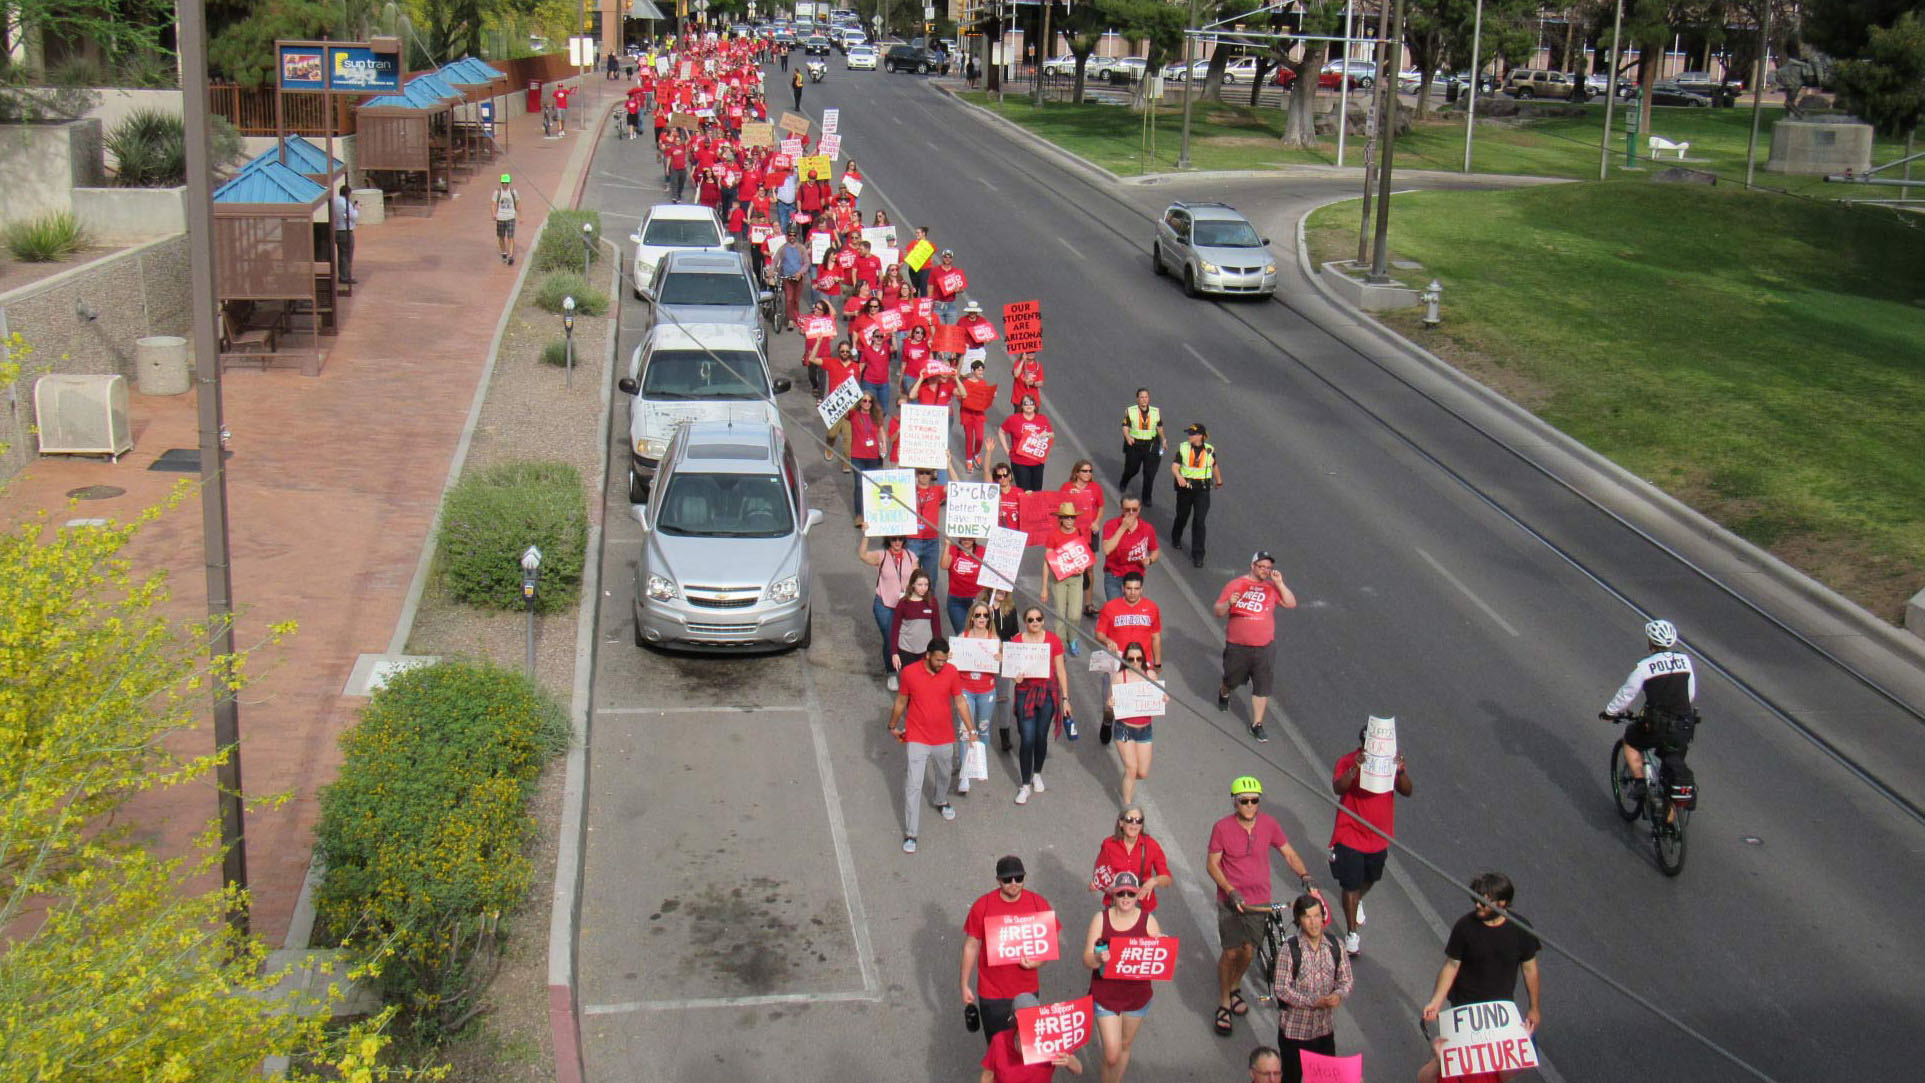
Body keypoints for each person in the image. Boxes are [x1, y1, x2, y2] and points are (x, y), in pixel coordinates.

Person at [1207, 776, 1315, 1038]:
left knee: (1247, 951)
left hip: (1259, 901)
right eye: (1244, 801)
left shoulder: (1269, 824)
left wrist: (1306, 877)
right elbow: (1212, 864)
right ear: (1235, 802)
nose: (1249, 806)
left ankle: (1235, 986)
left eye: (1254, 801)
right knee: (1230, 952)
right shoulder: (1222, 828)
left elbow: (1288, 853)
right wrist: (1231, 892)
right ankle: (1224, 1001)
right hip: (1232, 902)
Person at [1417, 872, 1542, 1083]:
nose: (1477, 905)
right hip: (1464, 1009)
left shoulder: (1521, 929)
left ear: (1503, 903)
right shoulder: (1465, 928)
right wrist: (1436, 1001)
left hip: (1498, 1013)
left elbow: (1530, 970)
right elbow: (1451, 965)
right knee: (1455, 1068)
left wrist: (1534, 1007)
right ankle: (1440, 1062)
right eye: (1476, 899)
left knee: (1496, 1066)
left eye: (1484, 901)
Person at [1599, 618, 1698, 821]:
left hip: (1656, 726)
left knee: (1630, 740)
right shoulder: (1685, 662)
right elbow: (1690, 695)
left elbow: (1627, 694)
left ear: (1650, 642)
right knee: (1672, 762)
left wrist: (1610, 712)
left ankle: (1640, 782)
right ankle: (1670, 821)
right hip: (1683, 726)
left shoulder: (1644, 667)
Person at [1329, 725, 1412, 954]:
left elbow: (1407, 791)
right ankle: (1351, 933)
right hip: (1350, 833)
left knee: (1372, 877)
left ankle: (1356, 900)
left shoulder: (1390, 765)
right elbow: (1338, 787)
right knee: (1350, 883)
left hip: (1378, 837)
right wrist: (1355, 769)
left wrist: (1401, 771)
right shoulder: (1348, 760)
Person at [962, 856, 1060, 1043]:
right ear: (998, 880)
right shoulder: (982, 906)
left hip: (1027, 993)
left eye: (1019, 878)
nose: (1014, 883)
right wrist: (964, 984)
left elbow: (1049, 941)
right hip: (992, 994)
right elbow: (971, 945)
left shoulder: (1038, 903)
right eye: (1007, 880)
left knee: (1028, 1045)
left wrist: (1039, 961)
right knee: (997, 1047)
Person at [887, 638, 971, 854]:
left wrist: (971, 731)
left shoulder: (951, 672)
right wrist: (892, 725)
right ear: (927, 655)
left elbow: (960, 701)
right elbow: (901, 701)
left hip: (944, 737)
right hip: (917, 737)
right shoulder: (909, 673)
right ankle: (911, 833)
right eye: (938, 660)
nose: (942, 664)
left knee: (944, 774)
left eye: (944, 659)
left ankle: (940, 799)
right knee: (913, 785)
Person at [1083, 871, 1163, 1083]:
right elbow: (1087, 960)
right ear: (1113, 896)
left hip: (1136, 996)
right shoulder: (1101, 919)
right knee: (1111, 1055)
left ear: (1137, 895)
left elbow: (1160, 963)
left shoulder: (1149, 922)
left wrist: (1162, 947)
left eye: (1130, 893)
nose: (1126, 897)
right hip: (1105, 996)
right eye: (1121, 893)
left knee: (1125, 1046)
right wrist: (1099, 958)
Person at [1212, 552, 1298, 744]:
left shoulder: (1270, 588)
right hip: (1238, 646)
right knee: (1232, 679)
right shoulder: (1235, 585)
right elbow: (1217, 611)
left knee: (1263, 686)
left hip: (1264, 648)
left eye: (1268, 568)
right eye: (1262, 567)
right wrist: (1229, 603)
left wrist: (1280, 584)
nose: (1266, 571)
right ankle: (1224, 691)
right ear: (1252, 566)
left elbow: (1291, 603)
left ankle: (1256, 724)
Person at [1272, 894, 1353, 1083]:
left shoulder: (1335, 946)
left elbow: (1346, 979)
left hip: (1324, 1030)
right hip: (1295, 1033)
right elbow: (1282, 989)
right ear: (1299, 920)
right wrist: (1313, 1002)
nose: (1314, 922)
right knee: (1292, 1078)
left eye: (1317, 916)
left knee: (1326, 1079)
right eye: (1308, 917)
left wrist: (1338, 995)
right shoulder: (1290, 949)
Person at [1010, 604, 1070, 804]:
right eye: (1030, 620)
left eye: (1038, 619)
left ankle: (1037, 773)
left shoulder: (1053, 640)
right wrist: (1014, 677)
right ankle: (1025, 784)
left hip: (1047, 693)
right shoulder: (1017, 641)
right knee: (1027, 738)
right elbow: (1012, 670)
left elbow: (1060, 670)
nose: (1034, 623)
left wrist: (1065, 699)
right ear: (1025, 623)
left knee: (1040, 736)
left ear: (1043, 621)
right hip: (1024, 693)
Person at [953, 598, 1002, 794]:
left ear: (989, 619)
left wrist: (1001, 658)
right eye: (978, 615)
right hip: (965, 689)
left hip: (986, 690)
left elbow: (1004, 667)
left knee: (983, 729)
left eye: (985, 615)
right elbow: (953, 665)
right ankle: (964, 775)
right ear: (971, 618)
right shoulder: (962, 637)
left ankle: (979, 763)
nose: (981, 618)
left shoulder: (994, 641)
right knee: (966, 730)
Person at [981, 993, 1085, 1082]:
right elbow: (987, 1076)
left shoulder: (1051, 1040)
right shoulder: (999, 1041)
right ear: (1015, 1021)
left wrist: (1069, 1061)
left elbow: (1078, 1069)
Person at [857, 530, 917, 683]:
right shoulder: (881, 555)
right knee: (891, 637)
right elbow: (863, 555)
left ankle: (905, 668)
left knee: (906, 638)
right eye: (893, 539)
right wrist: (866, 535)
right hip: (885, 605)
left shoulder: (911, 556)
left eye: (900, 539)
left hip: (905, 605)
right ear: (888, 540)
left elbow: (918, 579)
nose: (897, 542)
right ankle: (892, 671)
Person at [1106, 646, 1163, 804]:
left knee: (1142, 773)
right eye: (1131, 659)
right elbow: (1109, 703)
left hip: (1145, 730)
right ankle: (1127, 805)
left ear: (1144, 659)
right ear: (1125, 660)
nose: (1135, 662)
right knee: (1131, 768)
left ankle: (1127, 782)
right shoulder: (1119, 677)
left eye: (1139, 659)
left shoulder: (1150, 675)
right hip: (1124, 729)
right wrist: (1111, 704)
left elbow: (1157, 696)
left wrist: (1162, 698)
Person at [1090, 805, 1172, 913]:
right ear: (1121, 823)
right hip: (1116, 906)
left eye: (1139, 820)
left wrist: (1154, 881)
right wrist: (1096, 884)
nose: (1134, 824)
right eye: (1129, 820)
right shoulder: (1109, 845)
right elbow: (1101, 873)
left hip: (1143, 907)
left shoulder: (1151, 845)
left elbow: (1167, 879)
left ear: (1142, 825)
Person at [1041, 502, 1092, 657]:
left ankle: (1072, 638)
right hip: (1059, 579)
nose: (1070, 520)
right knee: (1060, 615)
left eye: (1072, 517)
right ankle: (1060, 645)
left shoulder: (1080, 533)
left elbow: (1085, 553)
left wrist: (1084, 567)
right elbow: (1047, 561)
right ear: (1061, 519)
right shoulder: (1053, 536)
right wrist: (1044, 587)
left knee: (1075, 614)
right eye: (1066, 517)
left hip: (1076, 578)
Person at [1169, 423, 1221, 567]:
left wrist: (1219, 480)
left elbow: (1214, 465)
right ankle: (1176, 537)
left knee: (1199, 521)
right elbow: (1174, 466)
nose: (1189, 436)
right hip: (1185, 488)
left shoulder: (1209, 450)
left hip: (1202, 490)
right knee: (1182, 516)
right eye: (1189, 434)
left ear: (1200, 436)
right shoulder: (1183, 448)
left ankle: (1198, 555)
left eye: (1192, 434)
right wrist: (1178, 476)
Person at [1059, 460, 1105, 618]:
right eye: (1084, 471)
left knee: (1089, 568)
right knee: (1070, 567)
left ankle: (1088, 603)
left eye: (1090, 471)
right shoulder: (1067, 487)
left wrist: (1097, 522)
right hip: (1071, 533)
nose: (1088, 474)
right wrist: (1068, 497)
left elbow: (1100, 507)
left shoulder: (1095, 488)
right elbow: (1058, 506)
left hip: (1090, 532)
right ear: (1076, 472)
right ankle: (1068, 601)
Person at [890, 568, 943, 686]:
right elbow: (895, 629)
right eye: (919, 584)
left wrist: (937, 650)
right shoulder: (903, 603)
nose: (923, 588)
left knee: (925, 683)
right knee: (909, 683)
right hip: (906, 650)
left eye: (926, 585)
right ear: (912, 584)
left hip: (925, 650)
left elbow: (937, 629)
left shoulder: (932, 602)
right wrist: (894, 653)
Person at [1117, 389, 1165, 506]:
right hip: (1135, 445)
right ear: (1137, 399)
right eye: (1141, 397)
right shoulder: (1130, 411)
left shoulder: (1155, 412)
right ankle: (1124, 480)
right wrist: (1128, 437)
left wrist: (1163, 440)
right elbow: (1125, 426)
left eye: (1146, 397)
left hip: (1151, 446)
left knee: (1149, 474)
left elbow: (1159, 428)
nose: (1144, 399)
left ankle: (1146, 497)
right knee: (1132, 469)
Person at [1000, 397, 1054, 492]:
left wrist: (1047, 434)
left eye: (1031, 403)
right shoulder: (1014, 419)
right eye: (1026, 403)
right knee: (1025, 491)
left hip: (1037, 461)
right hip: (1019, 462)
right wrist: (1007, 450)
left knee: (1037, 491)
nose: (1029, 405)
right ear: (1021, 405)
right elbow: (1001, 431)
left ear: (1035, 405)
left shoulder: (1042, 419)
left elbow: (1052, 434)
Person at [943, 536, 988, 634]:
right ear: (959, 538)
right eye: (964, 538)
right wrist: (947, 545)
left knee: (979, 633)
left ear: (975, 538)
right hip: (956, 601)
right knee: (962, 634)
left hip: (977, 600)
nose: (966, 541)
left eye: (970, 538)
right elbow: (944, 565)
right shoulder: (953, 549)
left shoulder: (982, 551)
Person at [331, 180, 358, 286]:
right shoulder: (346, 203)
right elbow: (353, 217)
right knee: (347, 255)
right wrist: (356, 209)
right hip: (346, 230)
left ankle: (343, 274)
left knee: (342, 254)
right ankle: (345, 276)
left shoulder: (335, 201)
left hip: (337, 229)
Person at [491, 174, 520, 264]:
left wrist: (520, 215)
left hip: (511, 217)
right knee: (501, 237)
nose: (505, 184)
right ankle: (504, 252)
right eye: (503, 182)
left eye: (506, 183)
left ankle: (511, 256)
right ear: (501, 183)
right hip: (500, 218)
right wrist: (494, 214)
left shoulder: (513, 192)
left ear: (509, 183)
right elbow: (493, 204)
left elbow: (518, 203)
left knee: (510, 237)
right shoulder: (497, 192)